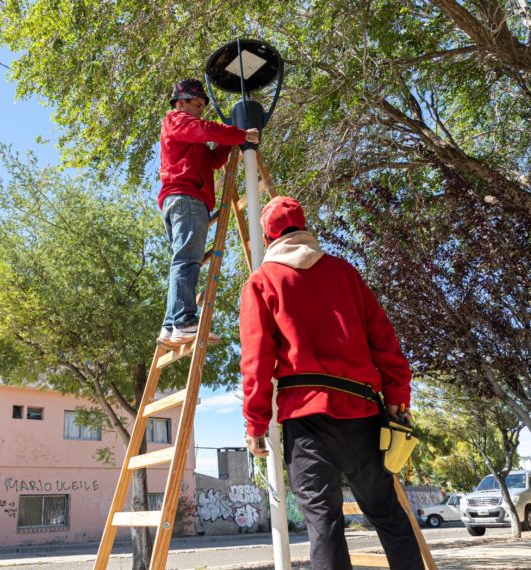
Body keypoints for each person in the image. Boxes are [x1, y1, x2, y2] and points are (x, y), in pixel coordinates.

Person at [239, 196, 424, 570]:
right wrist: (397, 399)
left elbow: (255, 362)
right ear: (304, 227)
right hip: (361, 412)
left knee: (324, 525)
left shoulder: (261, 282)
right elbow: (384, 341)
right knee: (387, 514)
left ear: (268, 235)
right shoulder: (345, 272)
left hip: (306, 419)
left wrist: (256, 425)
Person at [157, 78, 259, 346]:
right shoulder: (175, 119)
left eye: (203, 106)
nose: (201, 110)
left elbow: (213, 160)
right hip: (186, 198)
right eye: (197, 104)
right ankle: (184, 321)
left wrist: (229, 141)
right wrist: (240, 134)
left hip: (184, 199)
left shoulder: (189, 136)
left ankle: (171, 326)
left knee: (183, 259)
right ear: (181, 102)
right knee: (186, 260)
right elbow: (204, 130)